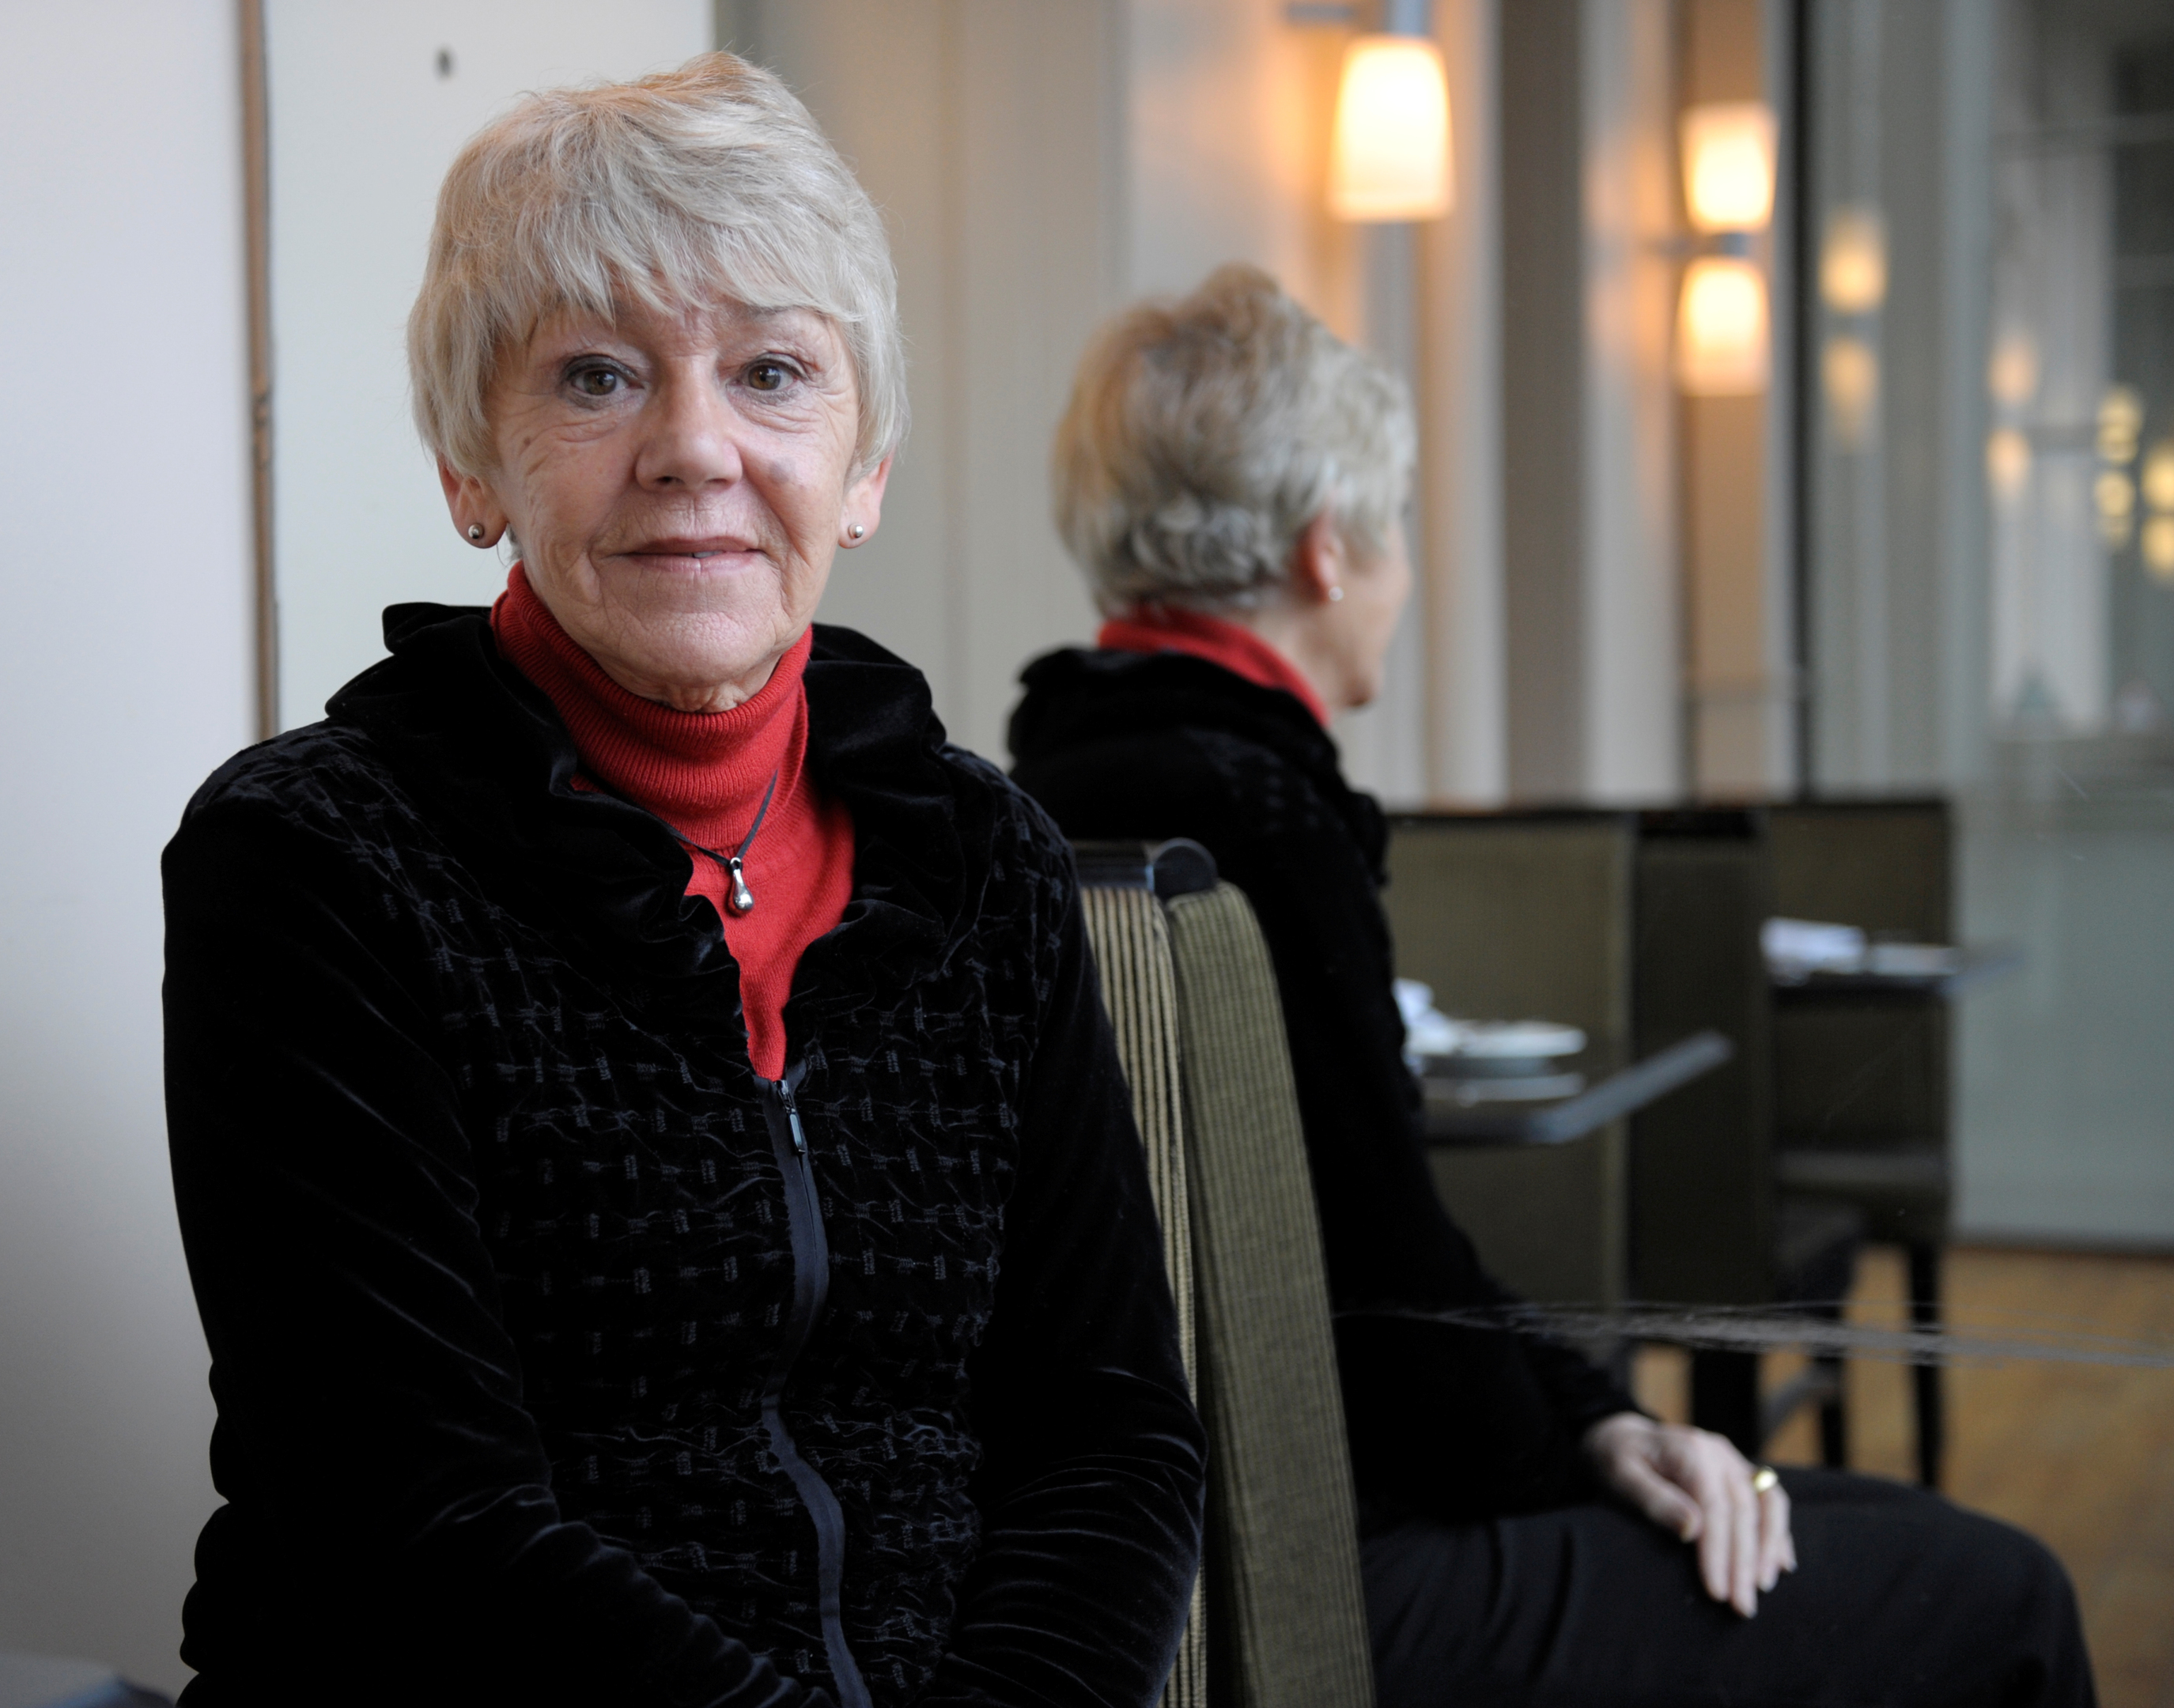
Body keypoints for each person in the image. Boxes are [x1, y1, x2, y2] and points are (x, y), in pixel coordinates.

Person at [161, 56, 1202, 1708]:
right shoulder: (315, 861)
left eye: (774, 373)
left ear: (861, 472)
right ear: (472, 469)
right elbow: (423, 1515)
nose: (693, 448)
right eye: (595, 378)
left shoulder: (983, 859)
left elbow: (1109, 1433)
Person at [1008, 263, 2095, 1706]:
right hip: (1331, 1574)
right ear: (1330, 552)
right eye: (1397, 536)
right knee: (2003, 1591)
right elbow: (1395, 1313)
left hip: (1157, 1570)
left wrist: (1594, 1422)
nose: (1400, 580)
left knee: (1872, 1538)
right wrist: (1597, 1434)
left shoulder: (1042, 800)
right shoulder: (1256, 823)